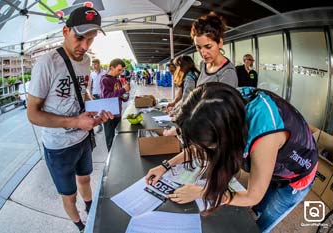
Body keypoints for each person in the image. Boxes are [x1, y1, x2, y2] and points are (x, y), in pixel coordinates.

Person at [146, 82, 318, 232]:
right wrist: (166, 166)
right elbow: (202, 148)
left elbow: (253, 195)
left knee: (264, 220)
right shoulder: (223, 104)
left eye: (209, 146)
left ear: (225, 135)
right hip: (274, 164)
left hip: (295, 176)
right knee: (256, 207)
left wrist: (202, 192)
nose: (204, 151)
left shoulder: (264, 134)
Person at [27, 6, 113, 232]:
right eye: (79, 38)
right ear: (65, 31)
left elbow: (81, 94)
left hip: (83, 140)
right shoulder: (47, 63)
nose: (84, 46)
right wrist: (75, 122)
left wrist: (95, 110)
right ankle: (80, 225)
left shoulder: (85, 62)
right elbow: (32, 114)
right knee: (69, 194)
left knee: (85, 180)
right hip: (58, 147)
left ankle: (91, 208)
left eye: (91, 39)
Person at [191, 12, 238, 87]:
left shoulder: (228, 73)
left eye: (208, 46)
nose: (203, 53)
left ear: (220, 43)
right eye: (198, 47)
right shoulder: (203, 64)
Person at [101, 58, 130, 151]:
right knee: (110, 140)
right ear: (111, 68)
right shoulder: (104, 80)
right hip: (109, 115)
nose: (120, 72)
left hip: (118, 114)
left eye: (122, 70)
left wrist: (125, 95)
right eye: (119, 70)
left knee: (118, 139)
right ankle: (111, 163)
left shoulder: (117, 80)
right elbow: (106, 97)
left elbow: (121, 96)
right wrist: (123, 90)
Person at [89, 58, 107, 133]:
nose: (94, 66)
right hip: (94, 94)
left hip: (102, 94)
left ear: (99, 64)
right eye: (92, 64)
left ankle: (105, 124)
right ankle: (99, 126)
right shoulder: (92, 74)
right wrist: (90, 94)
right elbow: (90, 85)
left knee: (103, 110)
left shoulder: (104, 73)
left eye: (95, 64)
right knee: (96, 111)